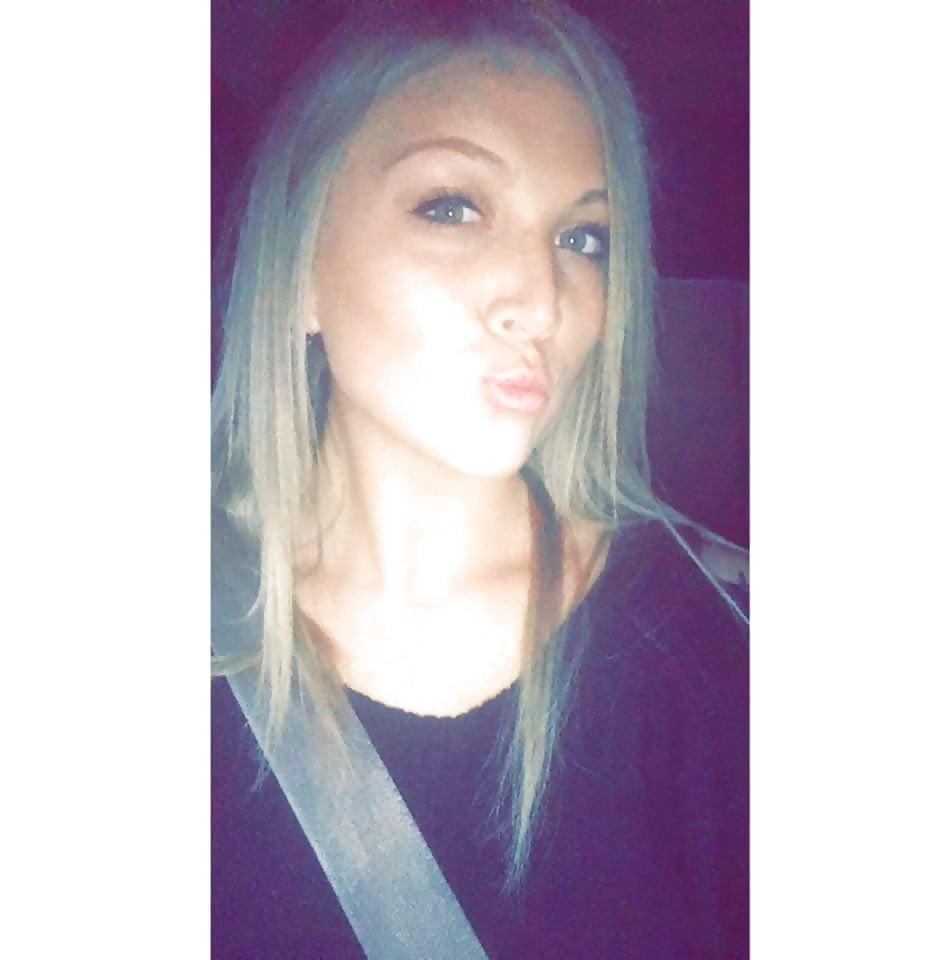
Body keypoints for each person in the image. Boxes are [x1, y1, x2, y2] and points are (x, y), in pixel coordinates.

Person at [211, 2, 748, 957]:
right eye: (453, 208)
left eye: (582, 239)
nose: (540, 301)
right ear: (297, 267)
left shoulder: (719, 650)